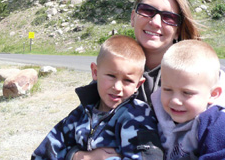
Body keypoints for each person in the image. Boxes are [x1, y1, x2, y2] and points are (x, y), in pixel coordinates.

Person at [70, 0, 225, 160]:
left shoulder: (207, 74)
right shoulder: (112, 76)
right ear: (133, 17)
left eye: (168, 17)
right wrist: (78, 156)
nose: (156, 22)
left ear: (178, 29)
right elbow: (71, 132)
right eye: (147, 11)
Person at [31, 35, 163, 160]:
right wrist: (74, 156)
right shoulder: (81, 114)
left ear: (138, 85)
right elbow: (43, 154)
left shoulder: (137, 116)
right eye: (111, 76)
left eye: (127, 80)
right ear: (95, 72)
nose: (117, 87)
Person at [151, 39, 225, 160]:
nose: (175, 100)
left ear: (213, 94)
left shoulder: (215, 126)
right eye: (167, 90)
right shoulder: (155, 109)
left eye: (187, 93)